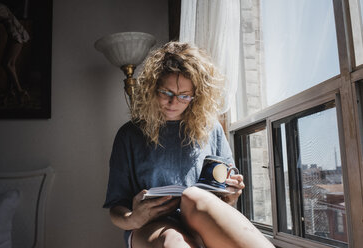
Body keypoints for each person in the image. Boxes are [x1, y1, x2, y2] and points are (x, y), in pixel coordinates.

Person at [103, 41, 274, 248]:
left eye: (184, 96)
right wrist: (133, 219)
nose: (174, 103)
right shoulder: (130, 134)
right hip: (151, 226)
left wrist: (231, 194)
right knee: (174, 241)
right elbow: (116, 207)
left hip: (200, 217)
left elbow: (224, 192)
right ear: (152, 87)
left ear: (196, 96)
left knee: (193, 197)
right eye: (166, 93)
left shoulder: (211, 129)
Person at [0, 1, 30, 106]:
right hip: (13, 36)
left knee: (7, 64)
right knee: (8, 63)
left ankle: (20, 92)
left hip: (16, 36)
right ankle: (9, 92)